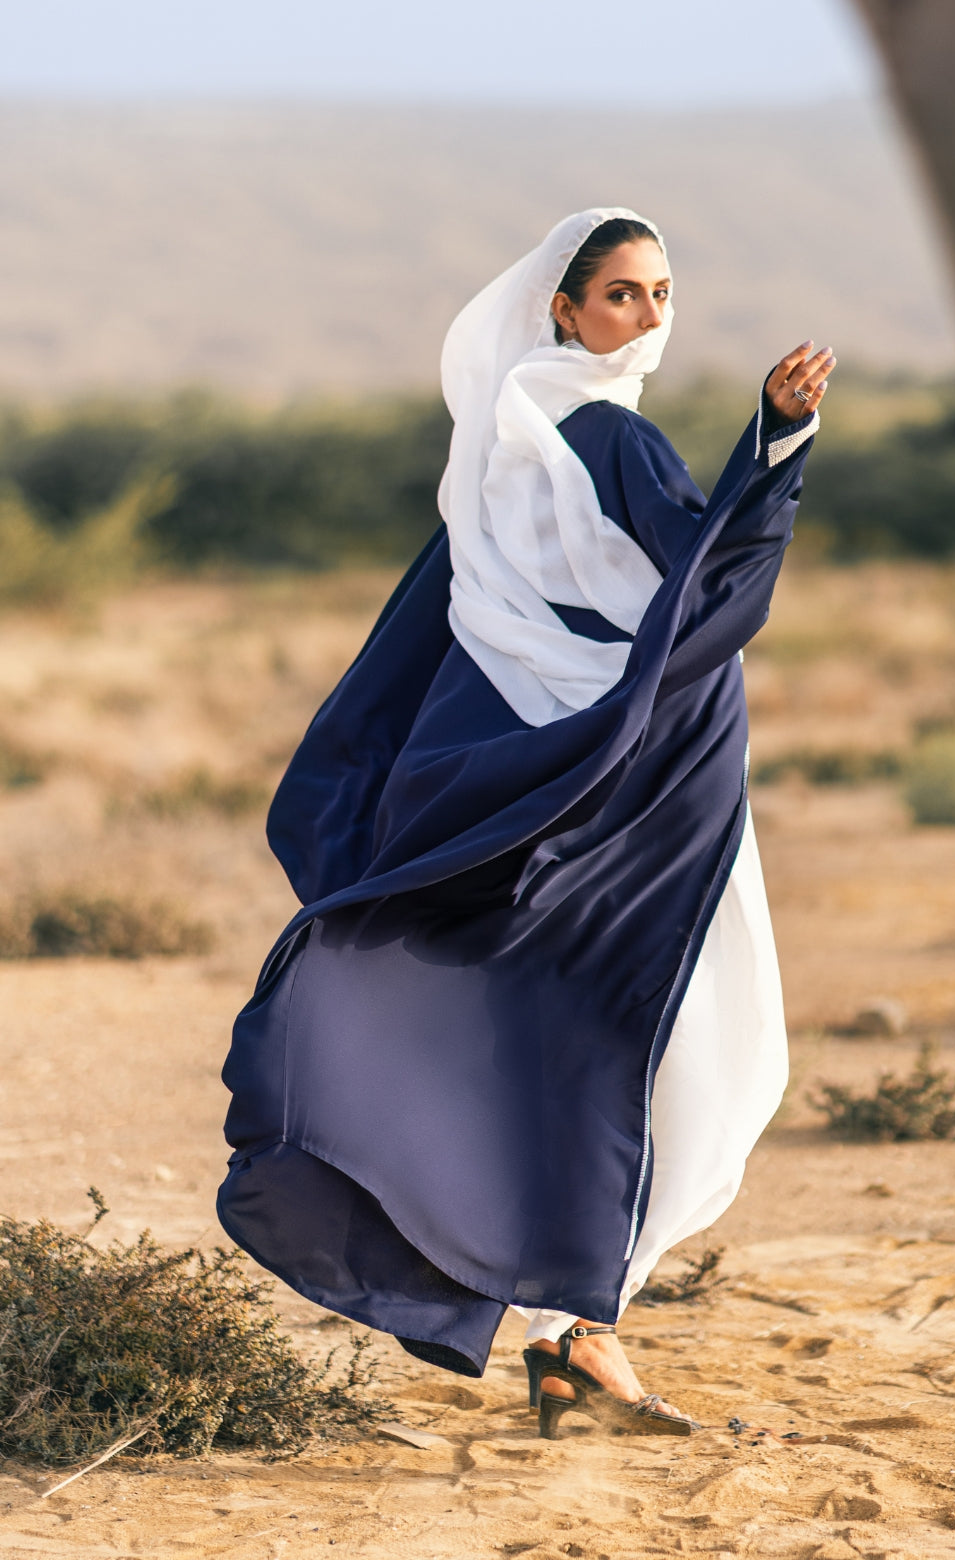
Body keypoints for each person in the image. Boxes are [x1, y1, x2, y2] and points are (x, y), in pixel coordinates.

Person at [217, 207, 835, 1440]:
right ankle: (579, 1330)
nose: (649, 317)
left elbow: (429, 637)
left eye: (662, 294)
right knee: (705, 1055)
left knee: (572, 1042)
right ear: (562, 307)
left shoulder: (492, 447)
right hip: (643, 790)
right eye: (623, 295)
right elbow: (707, 572)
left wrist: (411, 784)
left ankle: (568, 1337)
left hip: (542, 780)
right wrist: (778, 443)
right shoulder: (609, 435)